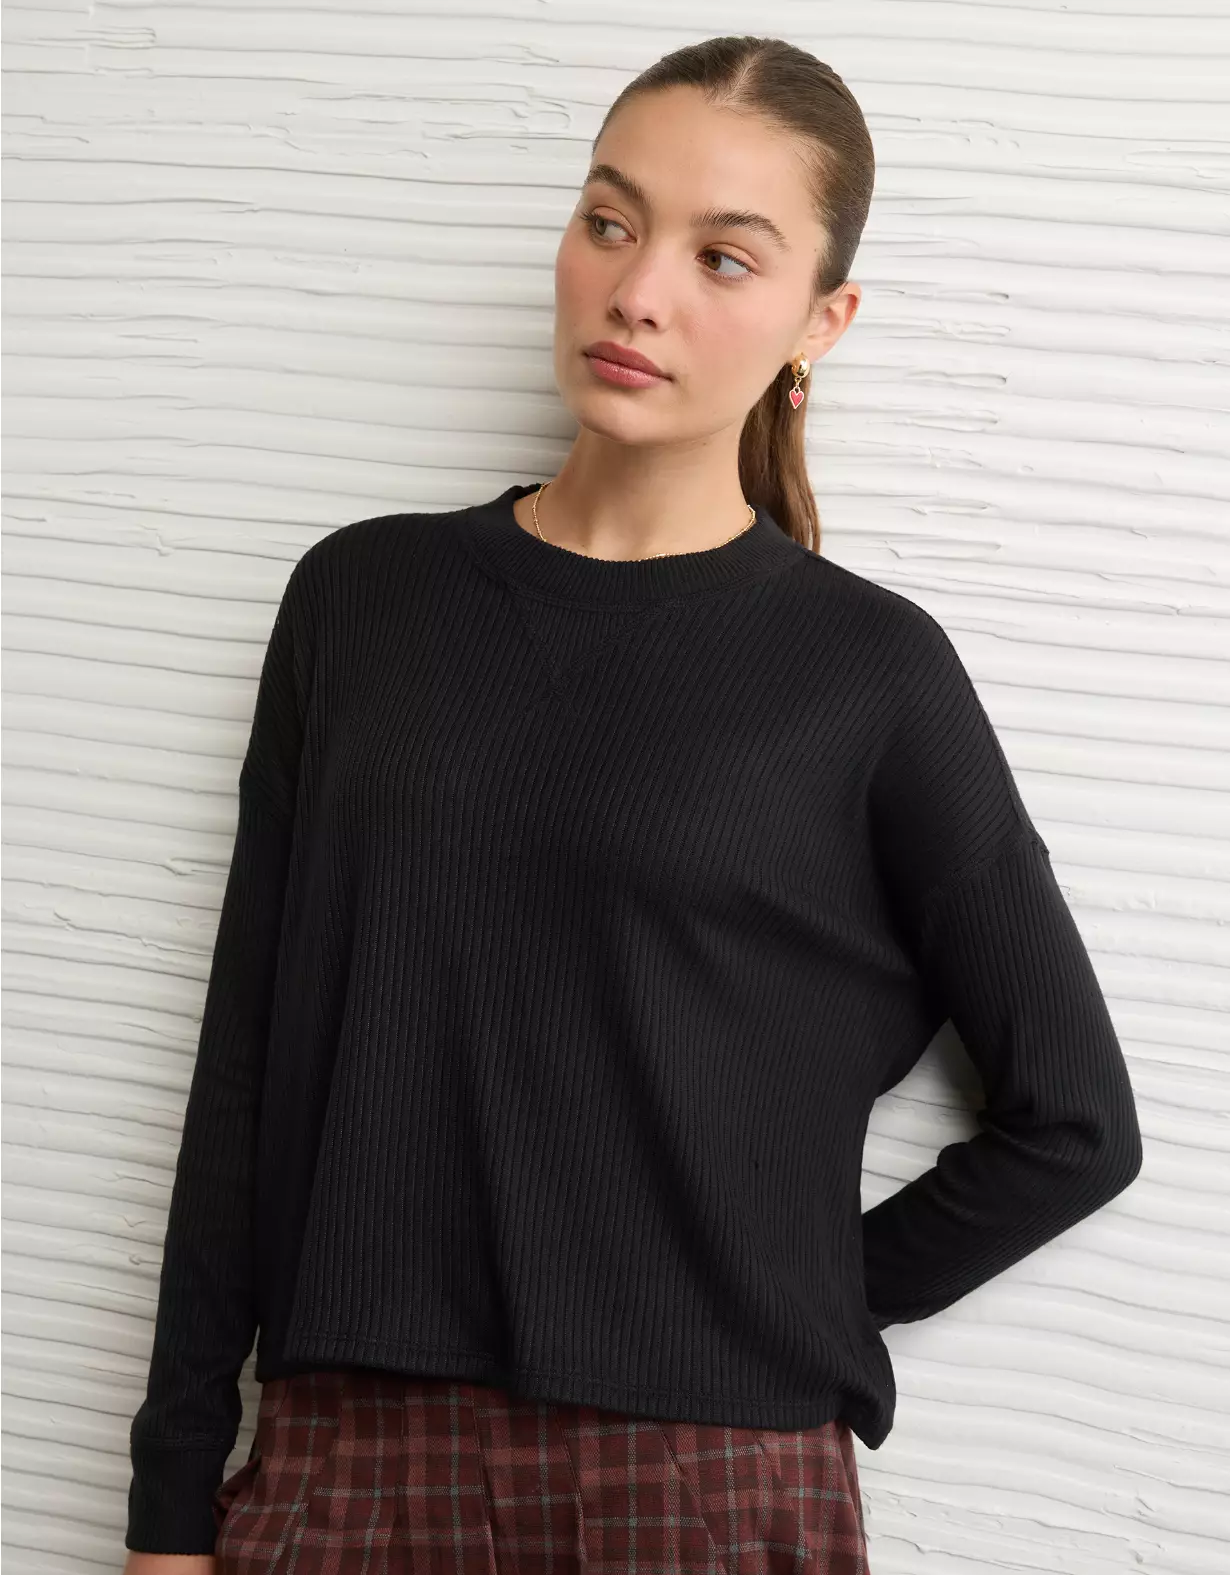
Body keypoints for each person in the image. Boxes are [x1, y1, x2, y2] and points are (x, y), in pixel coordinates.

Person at [122, 33, 1143, 1575]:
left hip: (701, 1487)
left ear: (819, 321)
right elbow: (249, 1072)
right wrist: (169, 1494)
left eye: (722, 257)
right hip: (347, 1465)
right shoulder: (362, 601)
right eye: (609, 221)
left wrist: (763, 1303)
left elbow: (1073, 1123)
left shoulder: (867, 672)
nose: (637, 290)